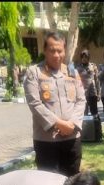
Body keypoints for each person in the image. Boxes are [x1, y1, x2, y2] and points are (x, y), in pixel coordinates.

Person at [23, 32, 86, 177]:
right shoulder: (34, 73)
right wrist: (59, 124)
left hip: (72, 138)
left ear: (64, 51)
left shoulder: (72, 72)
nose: (56, 55)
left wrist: (72, 124)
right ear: (45, 50)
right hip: (46, 141)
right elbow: (35, 104)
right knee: (48, 184)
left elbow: (81, 100)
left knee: (72, 181)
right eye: (52, 50)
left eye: (60, 51)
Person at [76, 50, 100, 116]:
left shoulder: (93, 66)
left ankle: (96, 126)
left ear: (88, 58)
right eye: (83, 57)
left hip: (93, 93)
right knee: (84, 114)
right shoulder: (78, 68)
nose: (84, 59)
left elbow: (97, 80)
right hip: (83, 93)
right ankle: (86, 126)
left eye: (86, 57)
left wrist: (99, 93)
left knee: (95, 113)